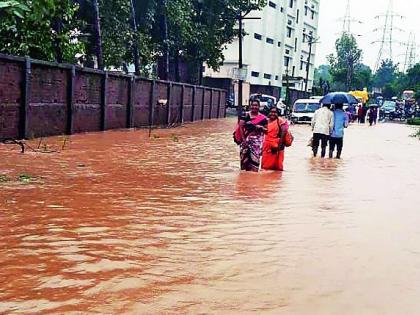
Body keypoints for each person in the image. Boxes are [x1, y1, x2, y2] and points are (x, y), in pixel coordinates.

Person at [238, 100, 267, 172]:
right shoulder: (245, 115)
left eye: (256, 105)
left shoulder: (263, 118)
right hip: (245, 142)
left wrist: (261, 127)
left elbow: (267, 130)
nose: (254, 107)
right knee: (244, 165)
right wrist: (244, 140)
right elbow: (241, 128)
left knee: (255, 164)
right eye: (253, 105)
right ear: (250, 106)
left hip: (257, 144)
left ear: (259, 107)